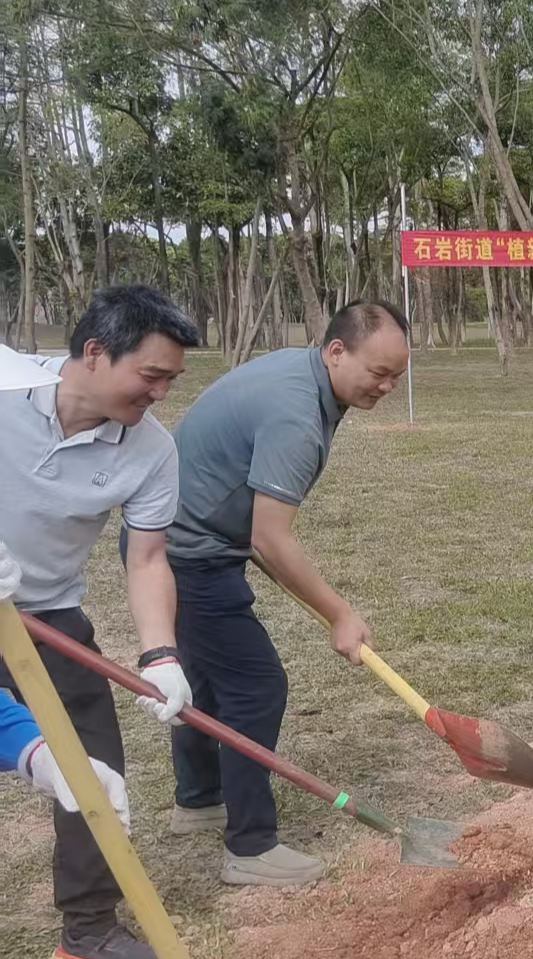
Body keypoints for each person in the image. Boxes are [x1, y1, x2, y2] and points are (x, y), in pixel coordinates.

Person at [161, 301, 411, 886]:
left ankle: (198, 800)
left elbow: (258, 532)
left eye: (397, 374)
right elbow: (270, 537)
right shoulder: (296, 414)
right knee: (255, 685)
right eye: (379, 372)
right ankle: (250, 847)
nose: (388, 386)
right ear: (336, 351)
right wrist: (339, 614)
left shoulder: (301, 372)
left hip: (181, 539)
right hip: (191, 554)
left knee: (204, 681)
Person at [0, 288, 199, 959]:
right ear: (93, 351)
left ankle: (88, 931)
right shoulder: (4, 392)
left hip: (49, 615)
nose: (160, 394)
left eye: (170, 380)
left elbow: (146, 559)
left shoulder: (152, 451)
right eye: (150, 376)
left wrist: (161, 652)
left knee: (93, 767)